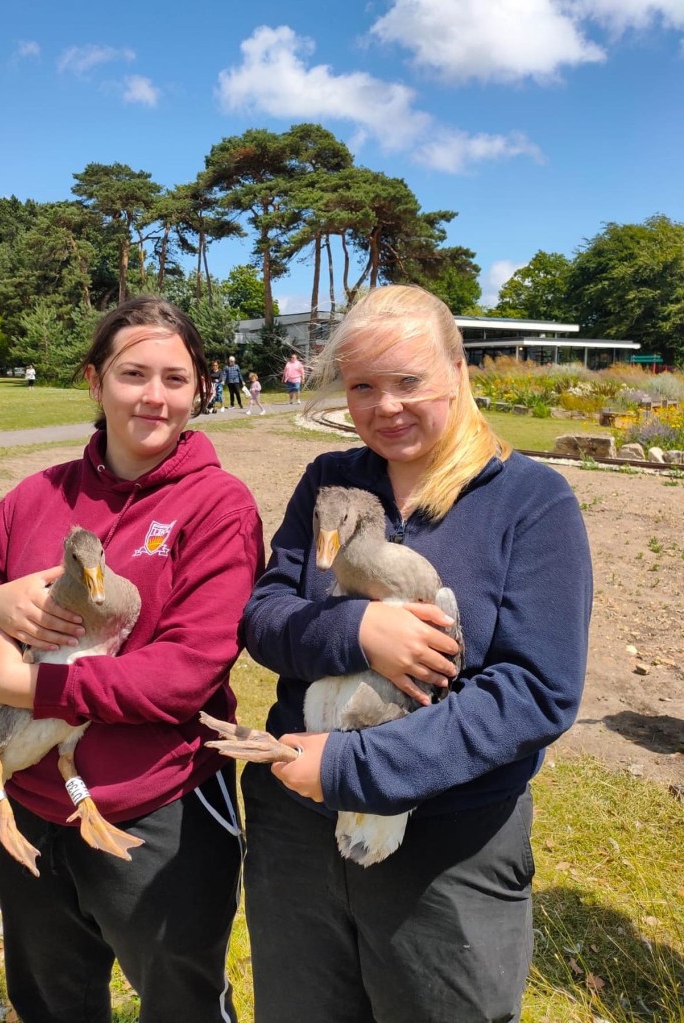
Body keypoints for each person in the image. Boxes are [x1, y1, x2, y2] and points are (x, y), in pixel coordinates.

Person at [240, 285, 592, 1023]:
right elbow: (264, 618)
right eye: (362, 387)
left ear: (458, 372)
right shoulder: (328, 483)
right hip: (296, 826)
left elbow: (535, 692)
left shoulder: (531, 502)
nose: (385, 406)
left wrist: (353, 767)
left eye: (408, 380)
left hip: (446, 843)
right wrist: (357, 630)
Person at [0, 297, 264, 1023]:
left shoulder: (219, 507)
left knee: (181, 1002)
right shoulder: (34, 498)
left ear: (200, 387)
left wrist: (36, 685)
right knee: (51, 1000)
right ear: (94, 381)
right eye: (132, 373)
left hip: (162, 806)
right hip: (31, 804)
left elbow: (185, 675)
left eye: (175, 378)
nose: (154, 395)